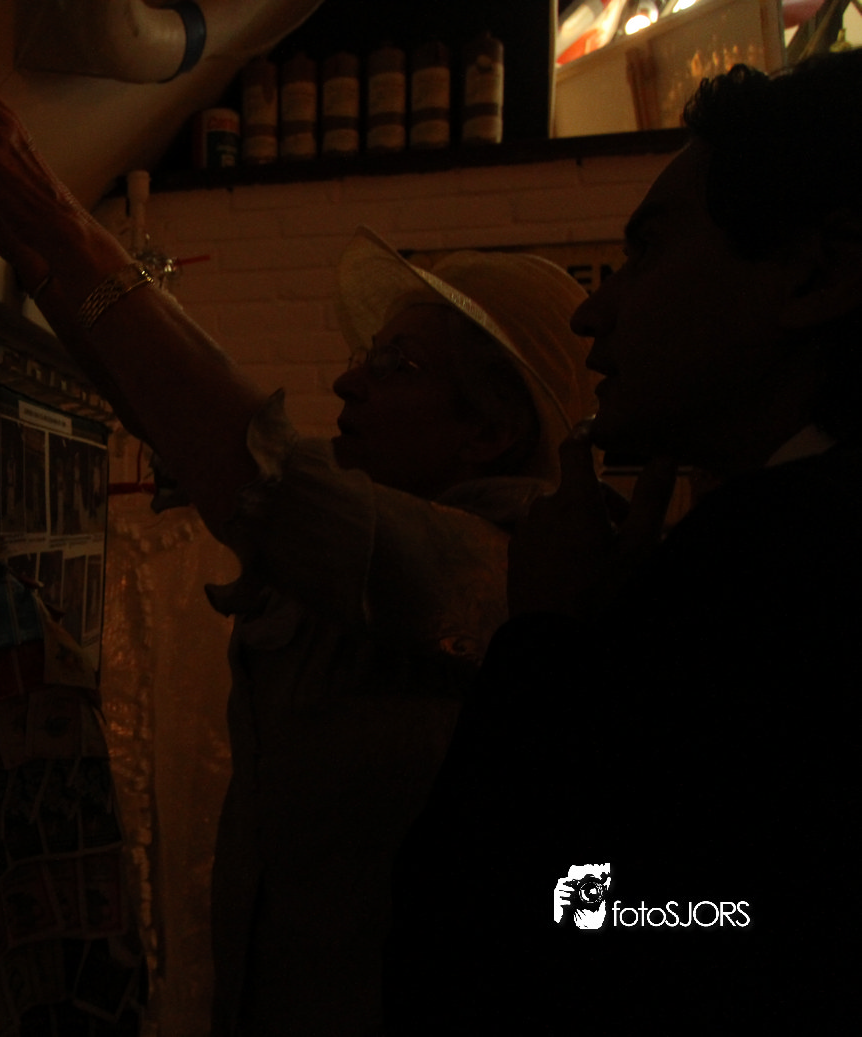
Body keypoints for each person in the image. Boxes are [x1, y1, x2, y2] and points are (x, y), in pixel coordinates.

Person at [0, 33, 595, 1034]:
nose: (346, 379)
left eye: (393, 366)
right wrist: (15, 230)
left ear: (489, 428)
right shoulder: (396, 539)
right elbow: (185, 423)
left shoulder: (489, 564)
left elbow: (257, 465)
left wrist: (47, 207)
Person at [384, 51, 862, 1033]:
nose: (590, 308)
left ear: (816, 274)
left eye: (646, 251)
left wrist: (547, 635)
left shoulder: (762, 583)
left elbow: (532, 926)